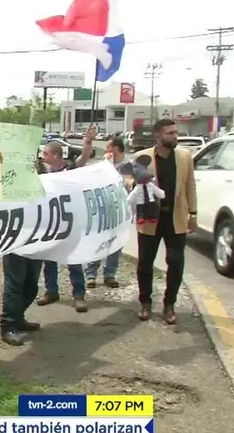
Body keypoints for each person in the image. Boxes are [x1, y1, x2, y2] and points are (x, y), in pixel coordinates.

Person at [133, 119, 197, 324]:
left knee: (176, 262)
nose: (174, 136)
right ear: (157, 135)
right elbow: (129, 182)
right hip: (150, 218)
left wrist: (193, 214)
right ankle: (145, 302)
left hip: (175, 217)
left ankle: (169, 304)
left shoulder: (185, 156)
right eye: (169, 133)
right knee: (145, 263)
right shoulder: (142, 157)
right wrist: (138, 183)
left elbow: (190, 185)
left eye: (176, 132)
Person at [36, 126, 95, 312]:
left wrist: (88, 141)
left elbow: (84, 157)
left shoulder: (71, 169)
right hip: (51, 223)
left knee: (74, 260)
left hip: (70, 223)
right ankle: (51, 291)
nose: (43, 156)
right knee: (49, 260)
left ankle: (79, 294)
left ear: (55, 155)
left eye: (46, 153)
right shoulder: (43, 172)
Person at [84, 136, 128, 288]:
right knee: (98, 241)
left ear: (116, 149)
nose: (106, 150)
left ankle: (110, 274)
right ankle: (91, 274)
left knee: (116, 243)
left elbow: (128, 184)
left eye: (109, 147)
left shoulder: (128, 166)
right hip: (103, 210)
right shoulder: (102, 164)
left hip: (120, 211)